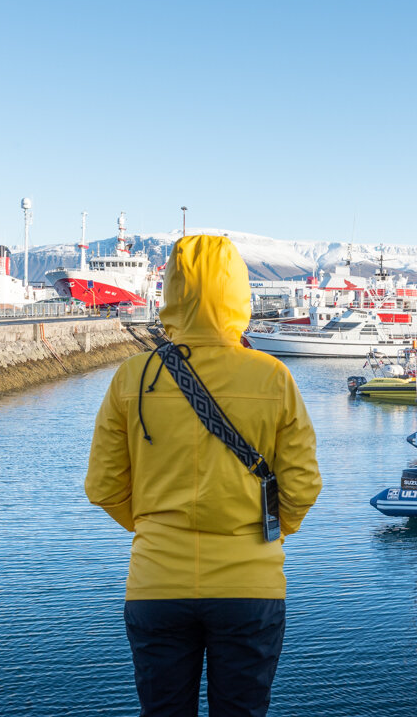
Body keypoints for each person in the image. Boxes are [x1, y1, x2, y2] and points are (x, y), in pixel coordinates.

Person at [86, 234, 322, 717]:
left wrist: (157, 527)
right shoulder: (273, 376)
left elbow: (104, 486)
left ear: (171, 290)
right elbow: (302, 486)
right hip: (249, 584)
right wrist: (265, 533)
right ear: (238, 293)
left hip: (157, 582)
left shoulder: (133, 377)